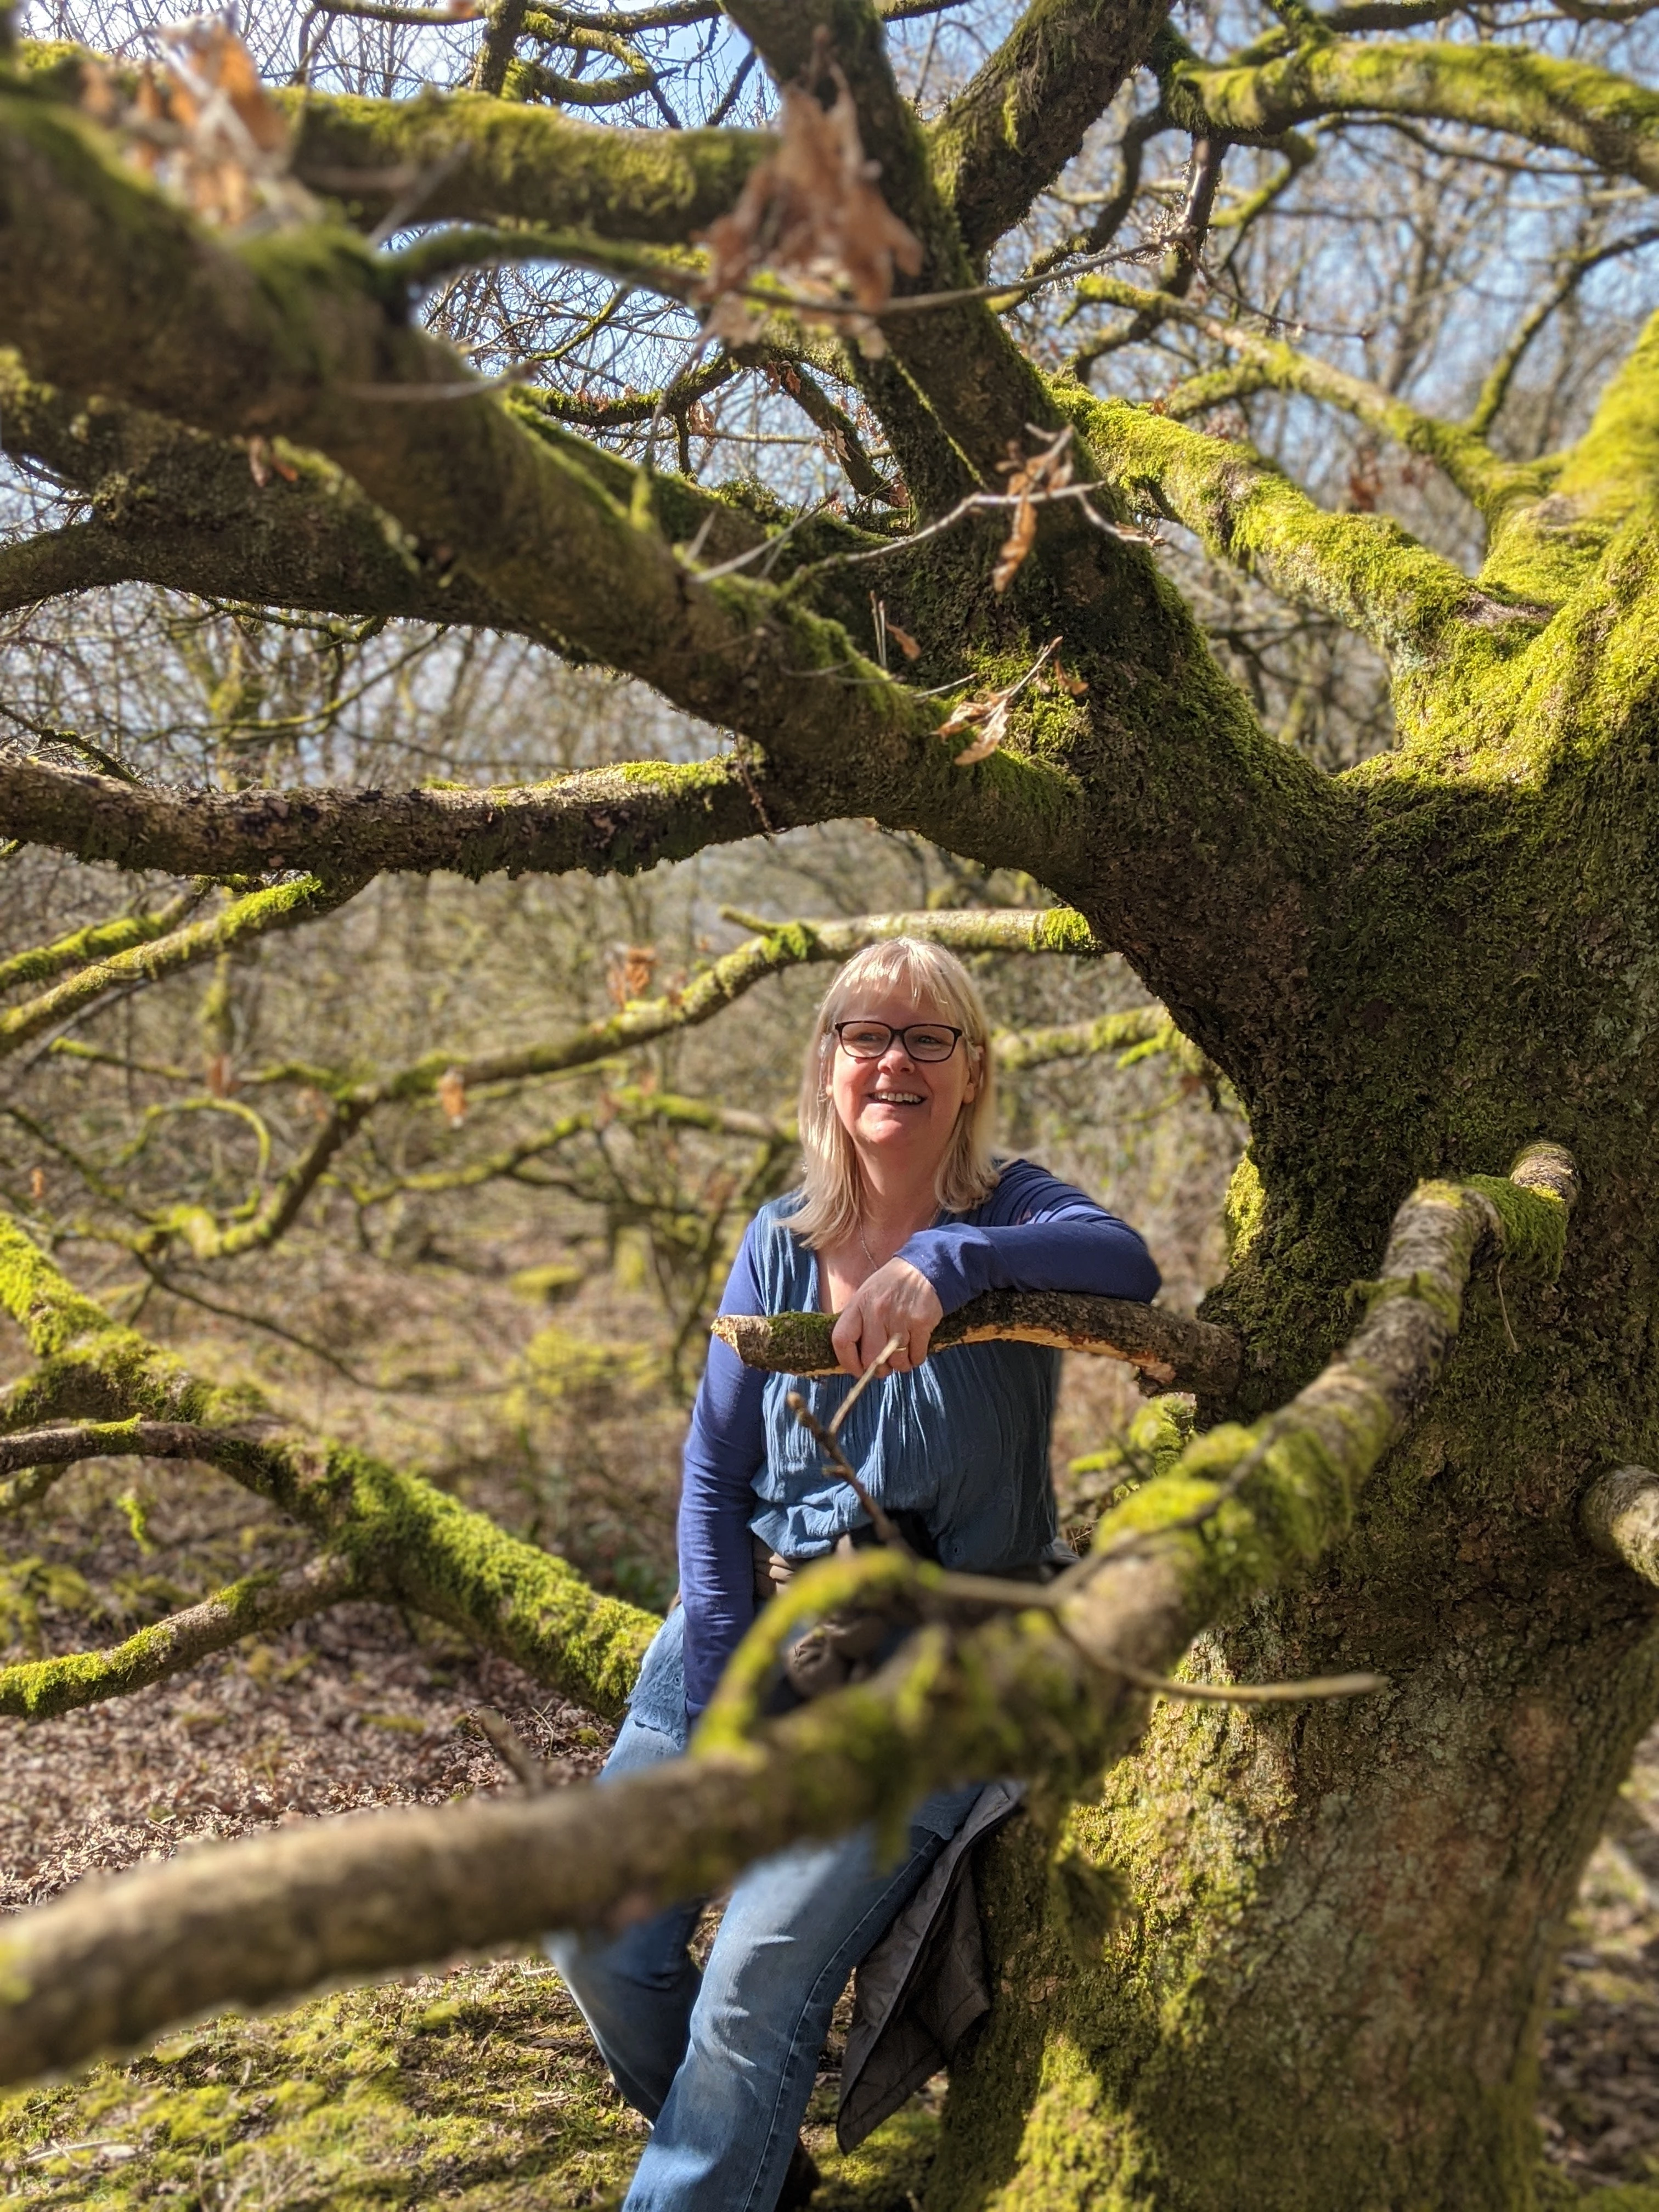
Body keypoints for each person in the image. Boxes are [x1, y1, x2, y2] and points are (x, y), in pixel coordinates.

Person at [548, 938, 1160, 2212]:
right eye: (864, 1036)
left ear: (974, 1068)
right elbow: (715, 1474)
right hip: (744, 1625)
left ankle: (705, 2181)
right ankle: (760, 2184)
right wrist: (720, 1683)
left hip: (930, 1664)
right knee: (601, 1936)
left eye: (927, 1037)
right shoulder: (778, 1241)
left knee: (751, 1988)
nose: (894, 1059)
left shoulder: (1018, 1218)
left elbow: (1132, 1267)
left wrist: (953, 1263)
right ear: (826, 1068)